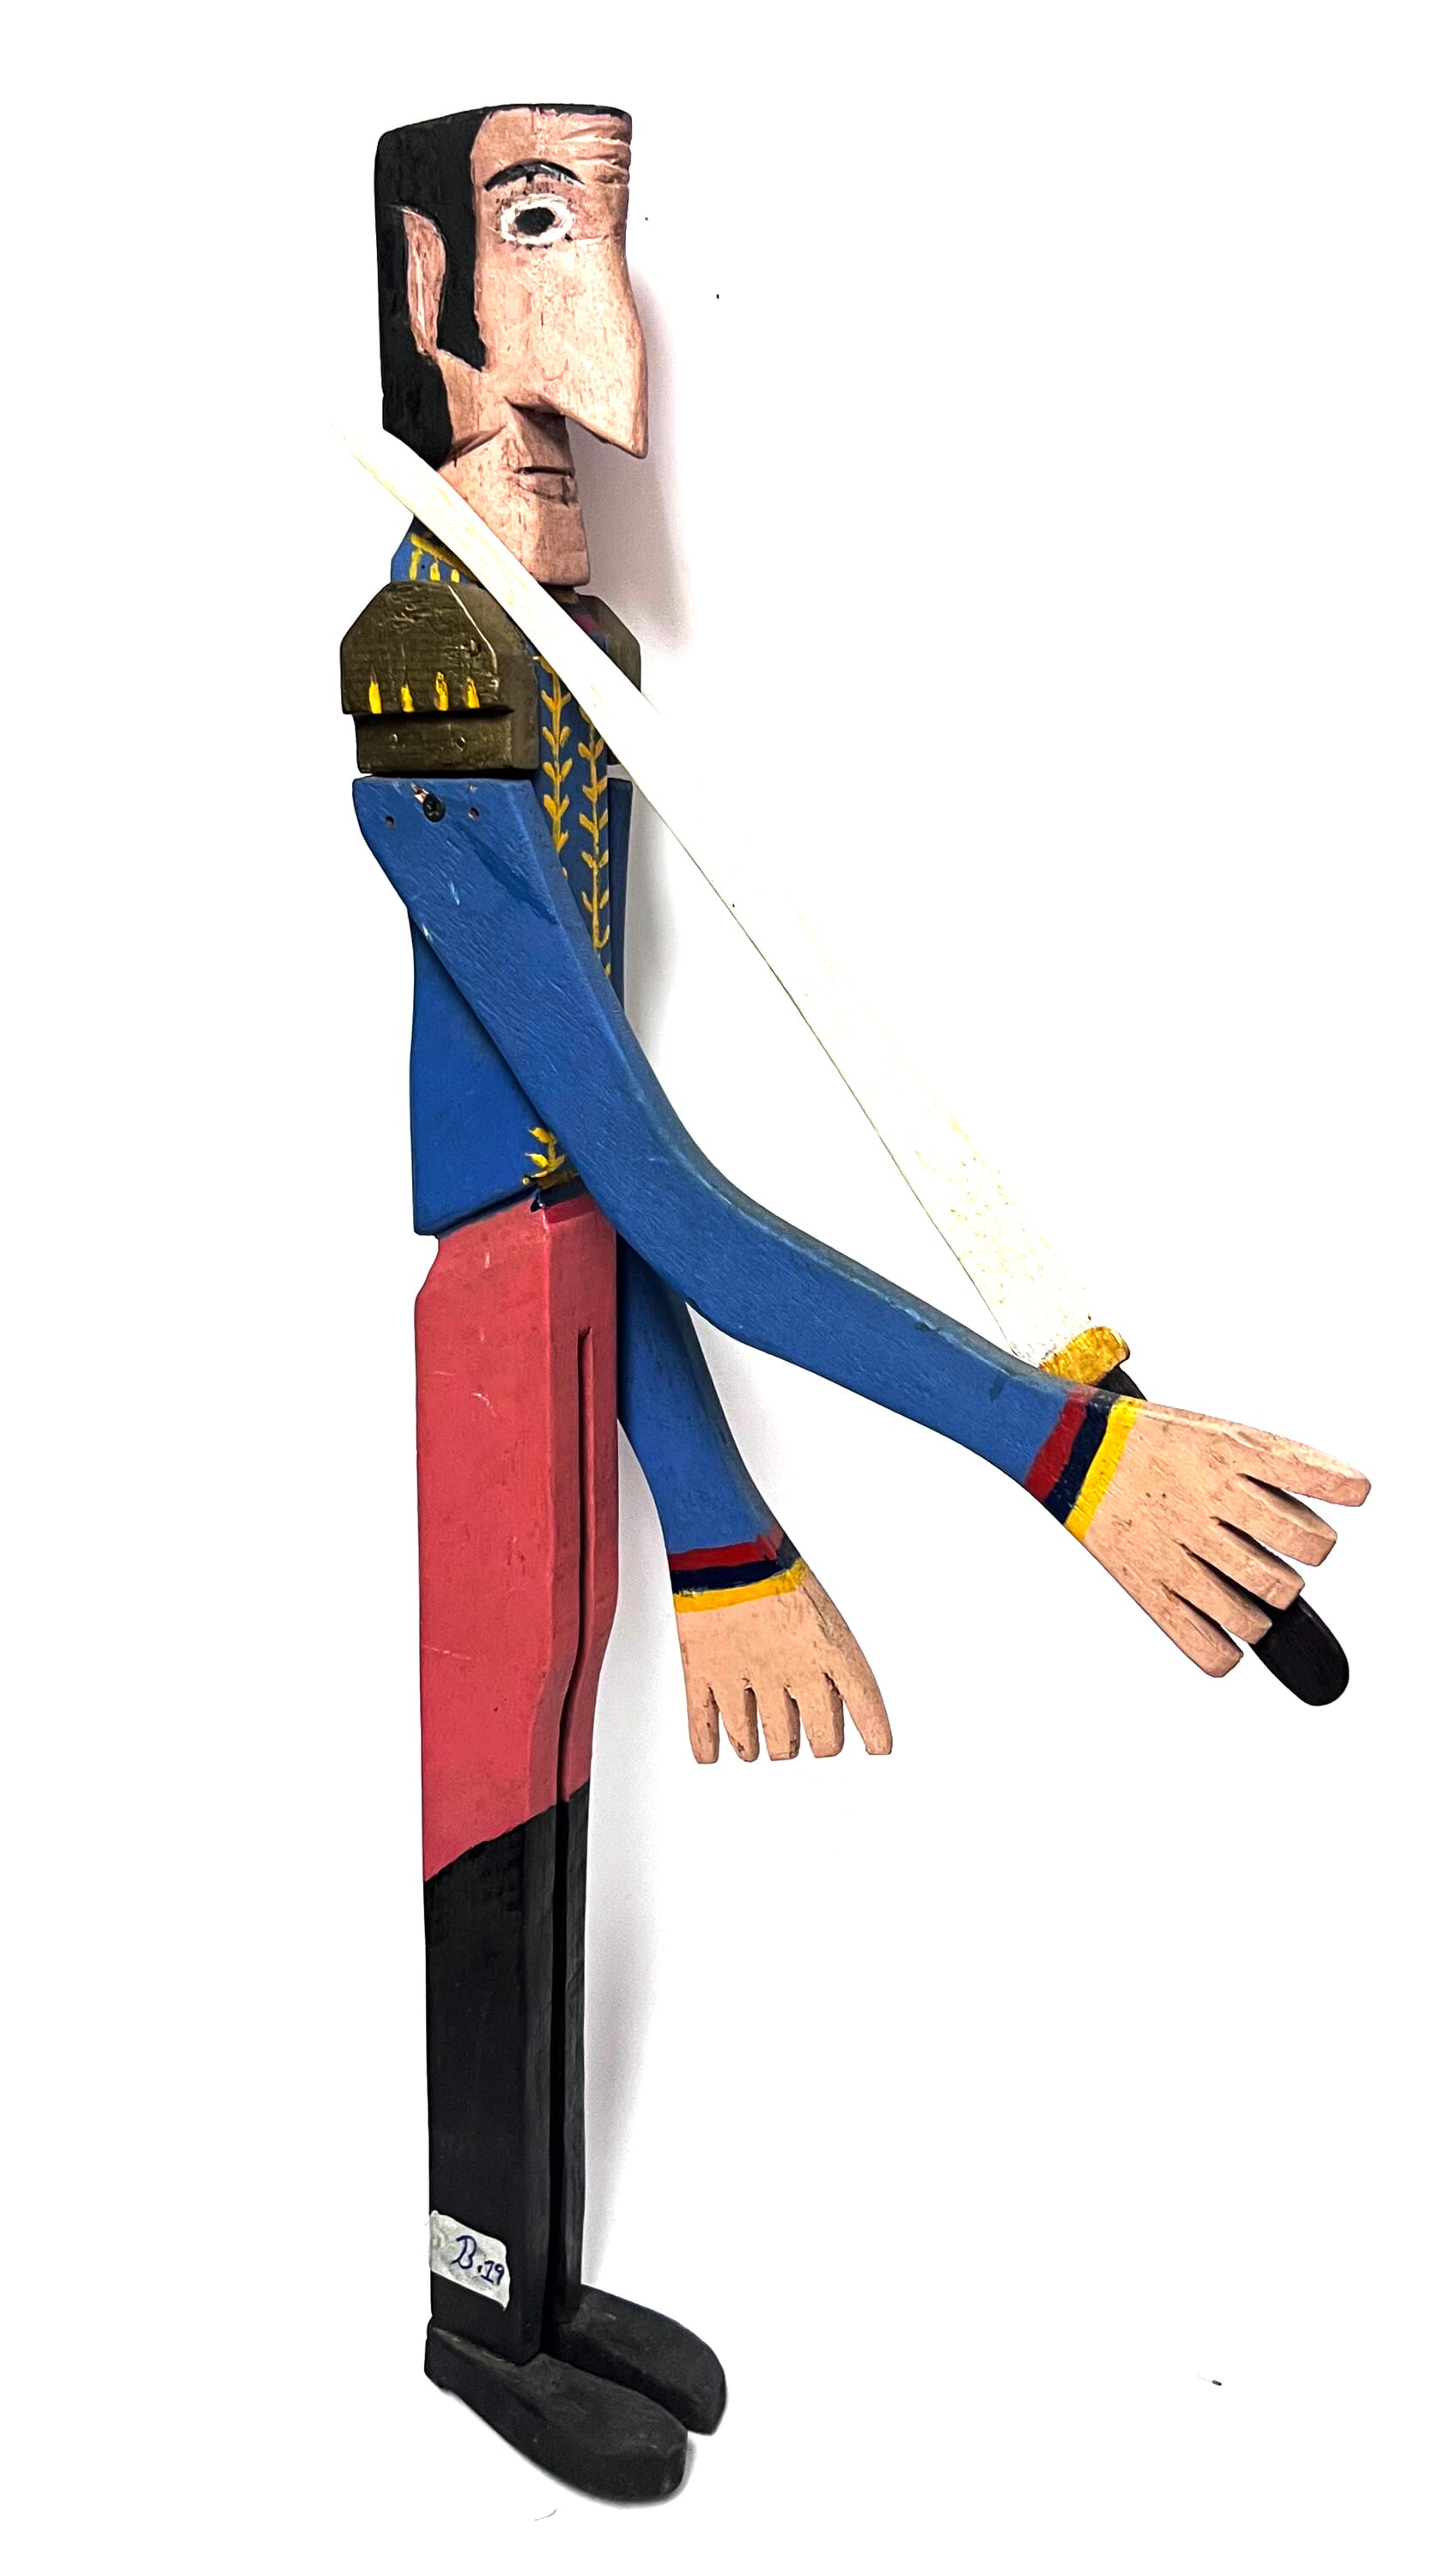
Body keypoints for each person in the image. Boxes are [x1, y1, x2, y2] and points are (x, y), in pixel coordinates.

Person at [342, 100, 1368, 2504]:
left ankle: (532, 2282)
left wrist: (718, 1534)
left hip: (559, 1277)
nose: (599, 290)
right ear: (427, 287)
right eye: (538, 221)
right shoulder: (424, 657)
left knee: (552, 1762)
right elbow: (638, 1176)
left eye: (605, 222)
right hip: (497, 1303)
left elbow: (619, 1191)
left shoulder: (560, 649)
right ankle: (473, 2306)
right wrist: (1067, 1457)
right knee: (495, 1791)